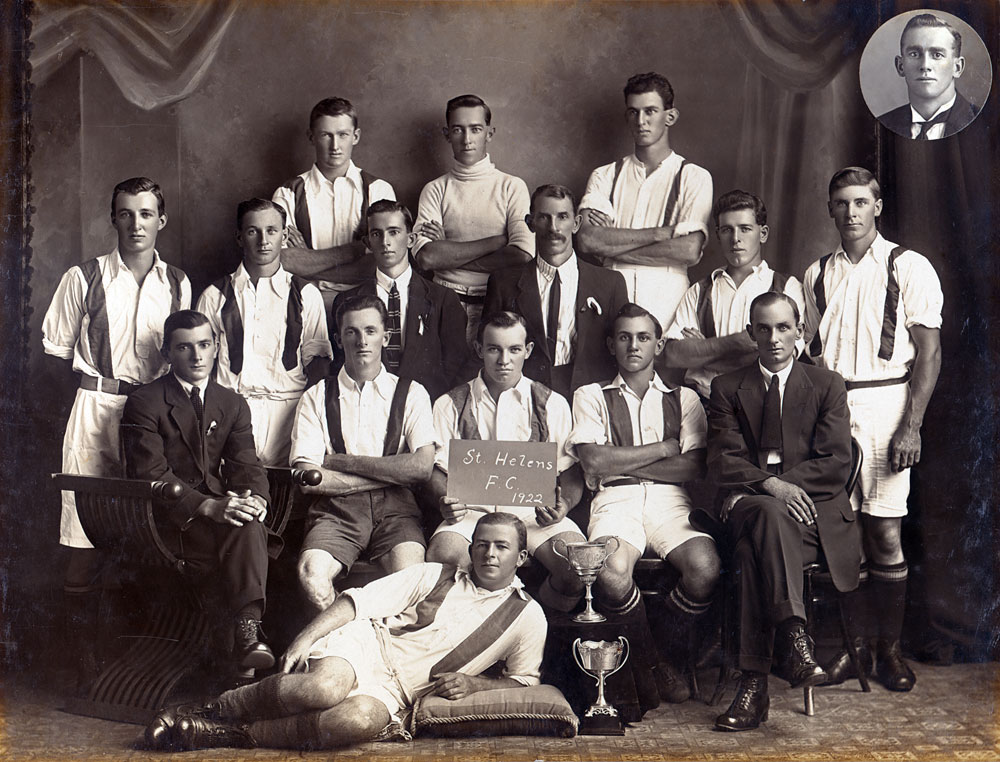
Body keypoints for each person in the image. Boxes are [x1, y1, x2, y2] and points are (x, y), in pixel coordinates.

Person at [143, 513, 547, 752]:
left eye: (501, 547)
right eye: (480, 544)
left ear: (522, 557)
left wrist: (474, 684)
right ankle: (210, 709)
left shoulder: (527, 616)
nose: (488, 554)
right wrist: (304, 638)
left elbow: (525, 679)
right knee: (322, 690)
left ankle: (228, 735)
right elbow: (357, 602)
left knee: (357, 721)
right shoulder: (435, 573)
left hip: (398, 692)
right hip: (367, 645)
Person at [41, 176, 191, 688]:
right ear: (113, 219)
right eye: (125, 214)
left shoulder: (178, 283)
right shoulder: (83, 278)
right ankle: (82, 663)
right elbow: (55, 357)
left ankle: (138, 659)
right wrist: (84, 412)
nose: (135, 224)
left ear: (161, 221)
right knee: (81, 538)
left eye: (145, 214)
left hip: (152, 411)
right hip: (94, 406)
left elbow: (183, 356)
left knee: (147, 534)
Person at [803, 167, 942, 692]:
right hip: (834, 409)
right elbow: (807, 353)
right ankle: (853, 650)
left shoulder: (908, 265)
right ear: (831, 209)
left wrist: (912, 426)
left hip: (888, 403)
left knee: (885, 531)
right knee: (844, 537)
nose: (851, 212)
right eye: (841, 203)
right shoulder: (816, 273)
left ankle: (890, 651)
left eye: (861, 202)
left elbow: (928, 353)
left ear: (877, 207)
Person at [707, 292, 861, 731]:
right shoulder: (727, 387)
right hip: (754, 507)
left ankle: (753, 688)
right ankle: (795, 639)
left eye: (782, 328)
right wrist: (771, 485)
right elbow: (722, 461)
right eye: (763, 328)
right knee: (767, 516)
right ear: (751, 333)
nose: (773, 338)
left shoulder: (827, 384)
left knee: (747, 556)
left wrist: (777, 486)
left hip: (813, 518)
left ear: (800, 332)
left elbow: (835, 461)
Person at [569, 302, 718, 703]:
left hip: (671, 502)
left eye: (643, 337)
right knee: (610, 574)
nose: (633, 345)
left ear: (658, 344)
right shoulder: (590, 395)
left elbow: (693, 466)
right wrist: (663, 448)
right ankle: (654, 663)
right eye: (624, 337)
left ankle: (660, 649)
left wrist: (630, 462)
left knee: (705, 569)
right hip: (615, 500)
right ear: (611, 345)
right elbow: (594, 460)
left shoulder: (684, 397)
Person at [121, 310, 275, 675]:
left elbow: (246, 463)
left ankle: (246, 639)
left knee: (250, 521)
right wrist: (208, 507)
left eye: (205, 345)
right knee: (245, 533)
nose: (197, 356)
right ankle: (246, 649)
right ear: (166, 352)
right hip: (166, 519)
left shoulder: (231, 401)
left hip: (218, 517)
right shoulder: (146, 400)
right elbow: (150, 473)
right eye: (185, 347)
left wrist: (255, 497)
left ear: (216, 346)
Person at [425, 311, 586, 613]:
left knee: (577, 567)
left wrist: (563, 505)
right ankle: (479, 640)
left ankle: (533, 624)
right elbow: (436, 471)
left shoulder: (552, 403)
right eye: (494, 349)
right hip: (471, 514)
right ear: (479, 350)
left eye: (514, 349)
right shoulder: (449, 404)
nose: (504, 360)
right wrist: (442, 500)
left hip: (534, 515)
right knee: (444, 559)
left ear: (528, 351)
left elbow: (571, 473)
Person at [290, 295, 435, 612]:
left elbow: (422, 468)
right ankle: (343, 640)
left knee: (411, 580)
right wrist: (393, 472)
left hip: (398, 511)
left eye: (370, 330)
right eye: (351, 332)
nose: (361, 341)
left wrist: (340, 463)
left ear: (386, 336)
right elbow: (309, 480)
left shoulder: (412, 393)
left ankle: (384, 652)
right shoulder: (316, 397)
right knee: (311, 575)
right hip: (336, 511)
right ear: (339, 339)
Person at [197, 199, 332, 466]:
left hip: (289, 410)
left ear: (284, 235)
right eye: (252, 231)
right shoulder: (214, 296)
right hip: (232, 410)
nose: (263, 240)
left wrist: (309, 420)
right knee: (239, 493)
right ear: (239, 237)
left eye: (271, 230)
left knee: (288, 494)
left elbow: (318, 365)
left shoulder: (306, 294)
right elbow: (201, 366)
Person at [576, 72, 713, 330]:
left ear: (670, 116)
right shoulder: (605, 175)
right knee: (606, 366)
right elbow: (586, 240)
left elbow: (688, 250)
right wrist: (662, 234)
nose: (641, 121)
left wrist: (611, 242)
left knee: (661, 367)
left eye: (650, 111)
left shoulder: (693, 176)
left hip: (667, 297)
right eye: (633, 112)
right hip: (611, 294)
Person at [483, 184, 629, 399]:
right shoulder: (504, 282)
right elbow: (490, 346)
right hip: (524, 396)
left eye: (562, 217)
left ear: (576, 223)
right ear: (530, 223)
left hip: (590, 398)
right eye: (544, 217)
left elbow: (620, 351)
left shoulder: (610, 283)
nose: (554, 228)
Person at [412, 94, 534, 347]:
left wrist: (451, 252)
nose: (467, 140)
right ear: (447, 134)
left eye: (475, 129)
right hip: (444, 303)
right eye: (458, 130)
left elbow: (521, 255)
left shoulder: (511, 187)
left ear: (489, 133)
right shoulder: (435, 190)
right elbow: (427, 258)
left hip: (497, 305)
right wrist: (498, 241)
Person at [665, 190, 805, 402]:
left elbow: (783, 357)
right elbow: (673, 355)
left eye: (745, 229)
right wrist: (738, 342)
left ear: (763, 233)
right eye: (727, 230)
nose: (736, 239)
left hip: (763, 405)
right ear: (718, 234)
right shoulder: (699, 290)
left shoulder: (787, 288)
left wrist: (704, 353)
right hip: (706, 406)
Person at [331, 199, 469, 400]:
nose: (385, 242)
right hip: (367, 405)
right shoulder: (347, 301)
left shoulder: (442, 298)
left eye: (394, 232)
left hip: (426, 406)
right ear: (368, 242)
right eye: (376, 234)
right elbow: (340, 363)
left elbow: (457, 364)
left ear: (411, 239)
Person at [273, 97, 396, 312]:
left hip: (366, 304)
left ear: (355, 136)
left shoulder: (378, 189)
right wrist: (355, 250)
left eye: (342, 135)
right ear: (311, 137)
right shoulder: (288, 193)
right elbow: (282, 260)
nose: (335, 146)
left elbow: (379, 264)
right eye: (325, 135)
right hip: (307, 303)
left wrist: (308, 262)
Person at [877, 13, 979, 140]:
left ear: (957, 67)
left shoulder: (986, 120)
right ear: (900, 66)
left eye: (937, 55)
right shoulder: (881, 124)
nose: (925, 66)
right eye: (914, 54)